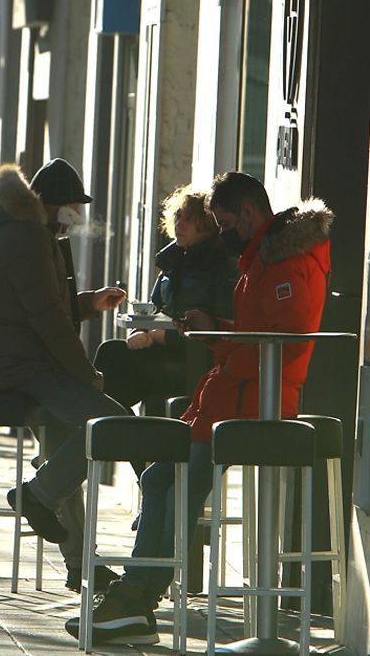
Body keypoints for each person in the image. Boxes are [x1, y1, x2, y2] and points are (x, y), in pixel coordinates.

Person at [68, 172, 332, 645]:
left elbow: (283, 344)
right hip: (228, 396)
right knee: (157, 477)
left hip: (253, 403)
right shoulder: (262, 259)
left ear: (248, 214)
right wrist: (215, 329)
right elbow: (257, 333)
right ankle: (136, 598)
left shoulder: (286, 263)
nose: (223, 231)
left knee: (181, 484)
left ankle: (137, 598)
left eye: (226, 222)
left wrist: (222, 345)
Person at [0, 159, 131, 592]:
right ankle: (37, 495)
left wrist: (90, 303)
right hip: (23, 367)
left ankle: (81, 564)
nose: (77, 216)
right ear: (54, 205)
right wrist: (86, 374)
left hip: (12, 361)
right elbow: (47, 321)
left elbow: (36, 308)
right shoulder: (27, 240)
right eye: (74, 206)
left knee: (64, 445)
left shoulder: (18, 232)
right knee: (117, 426)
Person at [93, 185, 239, 414]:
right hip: (166, 351)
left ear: (207, 227)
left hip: (193, 360)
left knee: (115, 371)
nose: (179, 224)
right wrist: (138, 332)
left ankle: (109, 427)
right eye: (178, 216)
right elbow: (153, 311)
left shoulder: (218, 268)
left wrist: (160, 336)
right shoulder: (174, 261)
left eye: (189, 220)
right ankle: (109, 425)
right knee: (110, 352)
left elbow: (215, 330)